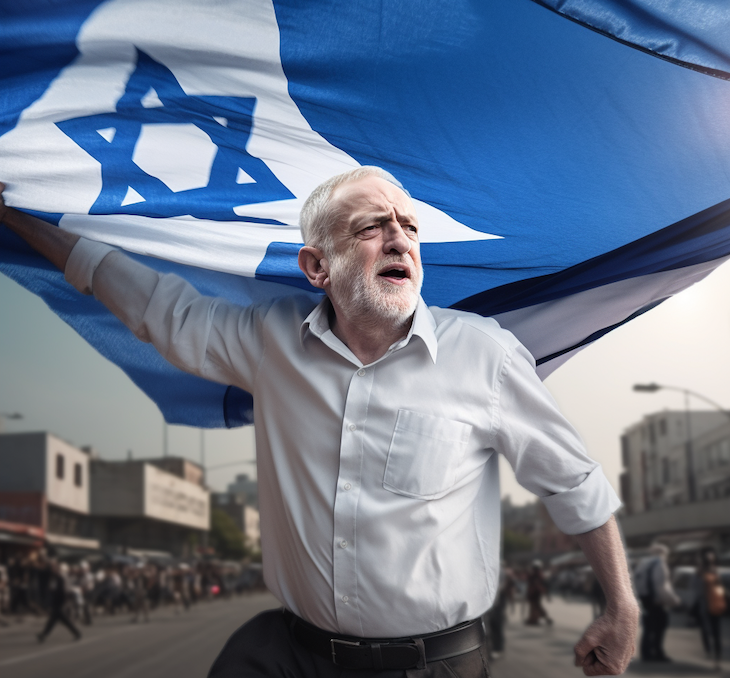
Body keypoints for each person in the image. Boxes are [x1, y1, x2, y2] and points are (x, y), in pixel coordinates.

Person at [0, 168, 639, 677]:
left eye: (408, 228)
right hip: (291, 656)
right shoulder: (268, 340)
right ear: (317, 267)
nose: (399, 238)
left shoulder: (485, 354)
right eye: (371, 227)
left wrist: (622, 607)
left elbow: (572, 481)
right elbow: (155, 308)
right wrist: (19, 218)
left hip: (433, 666)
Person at [633, 543, 680, 662]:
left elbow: (636, 582)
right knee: (660, 625)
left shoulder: (643, 563)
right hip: (656, 601)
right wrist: (674, 601)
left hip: (644, 599)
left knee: (648, 627)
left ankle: (646, 653)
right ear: (664, 553)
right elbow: (661, 586)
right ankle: (657, 653)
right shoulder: (659, 564)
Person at [692, 547, 726, 671]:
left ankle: (713, 657)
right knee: (712, 632)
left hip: (709, 606)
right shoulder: (709, 572)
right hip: (710, 606)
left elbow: (698, 591)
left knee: (710, 632)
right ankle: (714, 657)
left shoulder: (704, 573)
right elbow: (718, 590)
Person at [36, 560, 82, 642]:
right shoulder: (53, 578)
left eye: (54, 568)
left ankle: (43, 635)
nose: (52, 569)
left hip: (59, 601)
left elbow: (61, 591)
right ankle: (76, 633)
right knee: (57, 620)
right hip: (55, 601)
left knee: (56, 619)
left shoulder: (59, 578)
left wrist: (61, 601)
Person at [524, 560, 553, 626]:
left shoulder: (537, 575)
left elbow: (537, 584)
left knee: (536, 606)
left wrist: (531, 591)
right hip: (535, 592)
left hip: (535, 592)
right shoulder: (536, 574)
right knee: (535, 606)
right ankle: (533, 619)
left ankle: (535, 619)